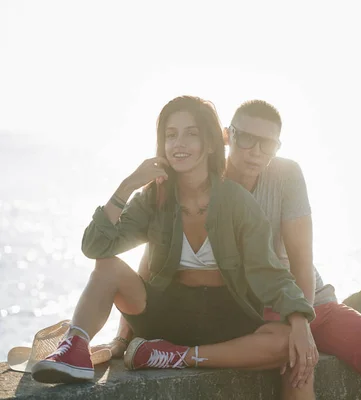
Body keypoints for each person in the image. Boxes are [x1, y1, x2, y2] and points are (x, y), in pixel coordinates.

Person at [31, 96, 318, 385]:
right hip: (164, 312)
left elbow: (269, 274)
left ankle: (175, 355)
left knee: (284, 342)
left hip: (228, 317)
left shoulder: (238, 202)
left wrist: (299, 319)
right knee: (107, 267)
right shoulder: (153, 197)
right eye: (171, 135)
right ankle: (74, 349)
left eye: (191, 134)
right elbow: (96, 247)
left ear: (209, 143)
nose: (179, 143)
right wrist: (128, 184)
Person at [222, 100, 361, 400]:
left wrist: (300, 322)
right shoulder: (207, 184)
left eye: (267, 143)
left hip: (312, 301)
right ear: (228, 135)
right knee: (300, 369)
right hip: (257, 310)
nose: (256, 151)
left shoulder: (286, 173)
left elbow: (302, 261)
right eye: (246, 138)